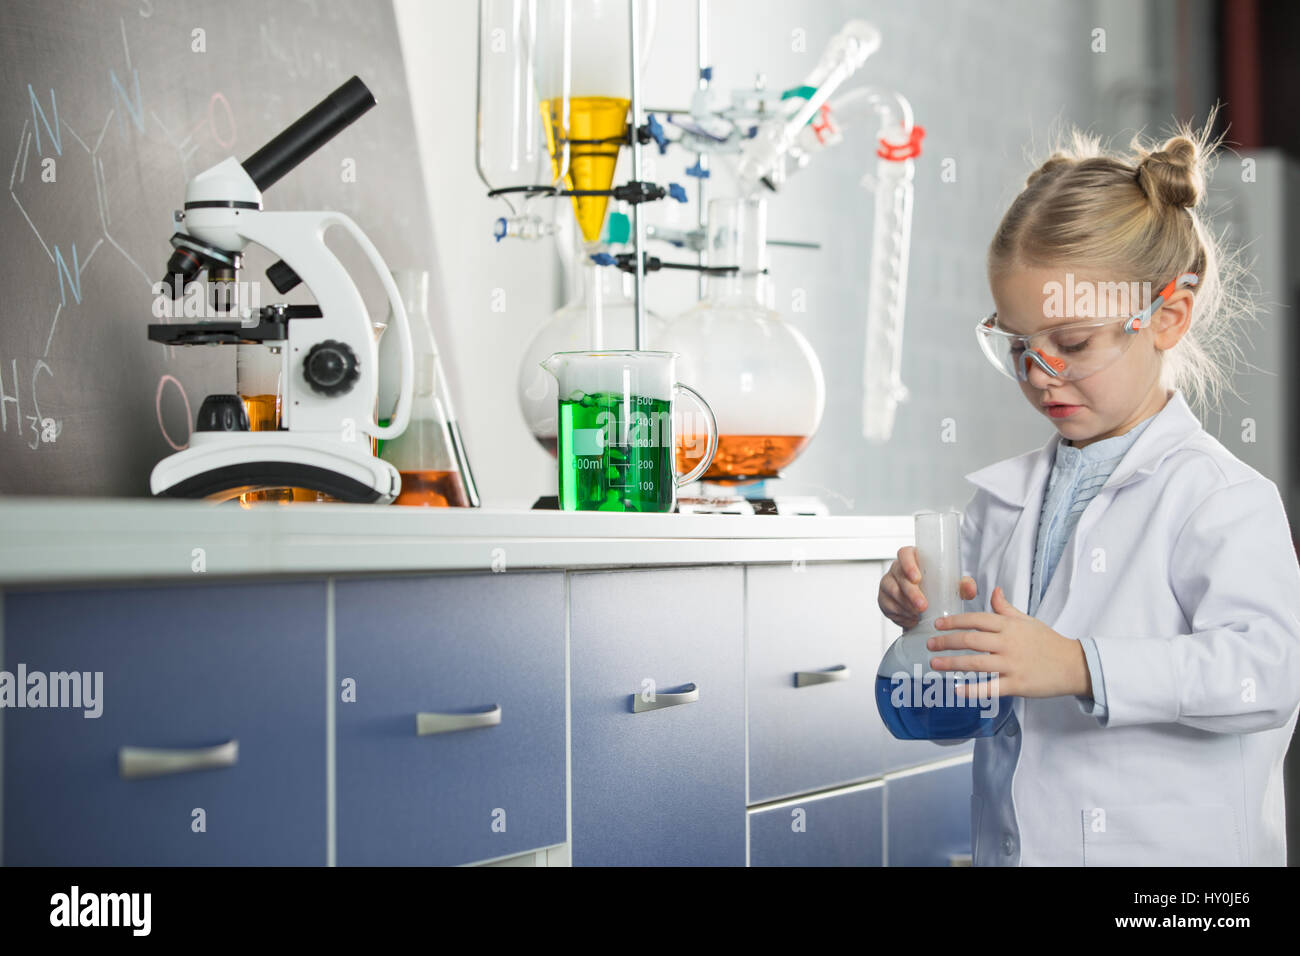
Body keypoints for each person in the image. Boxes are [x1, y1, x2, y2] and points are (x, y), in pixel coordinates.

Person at [877, 115, 1300, 865]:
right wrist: (927, 623)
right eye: (1018, 345)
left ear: (1167, 315)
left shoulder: (1219, 498)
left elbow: (1266, 674)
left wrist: (1079, 666)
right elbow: (971, 699)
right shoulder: (1001, 505)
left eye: (1071, 343)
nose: (1040, 372)